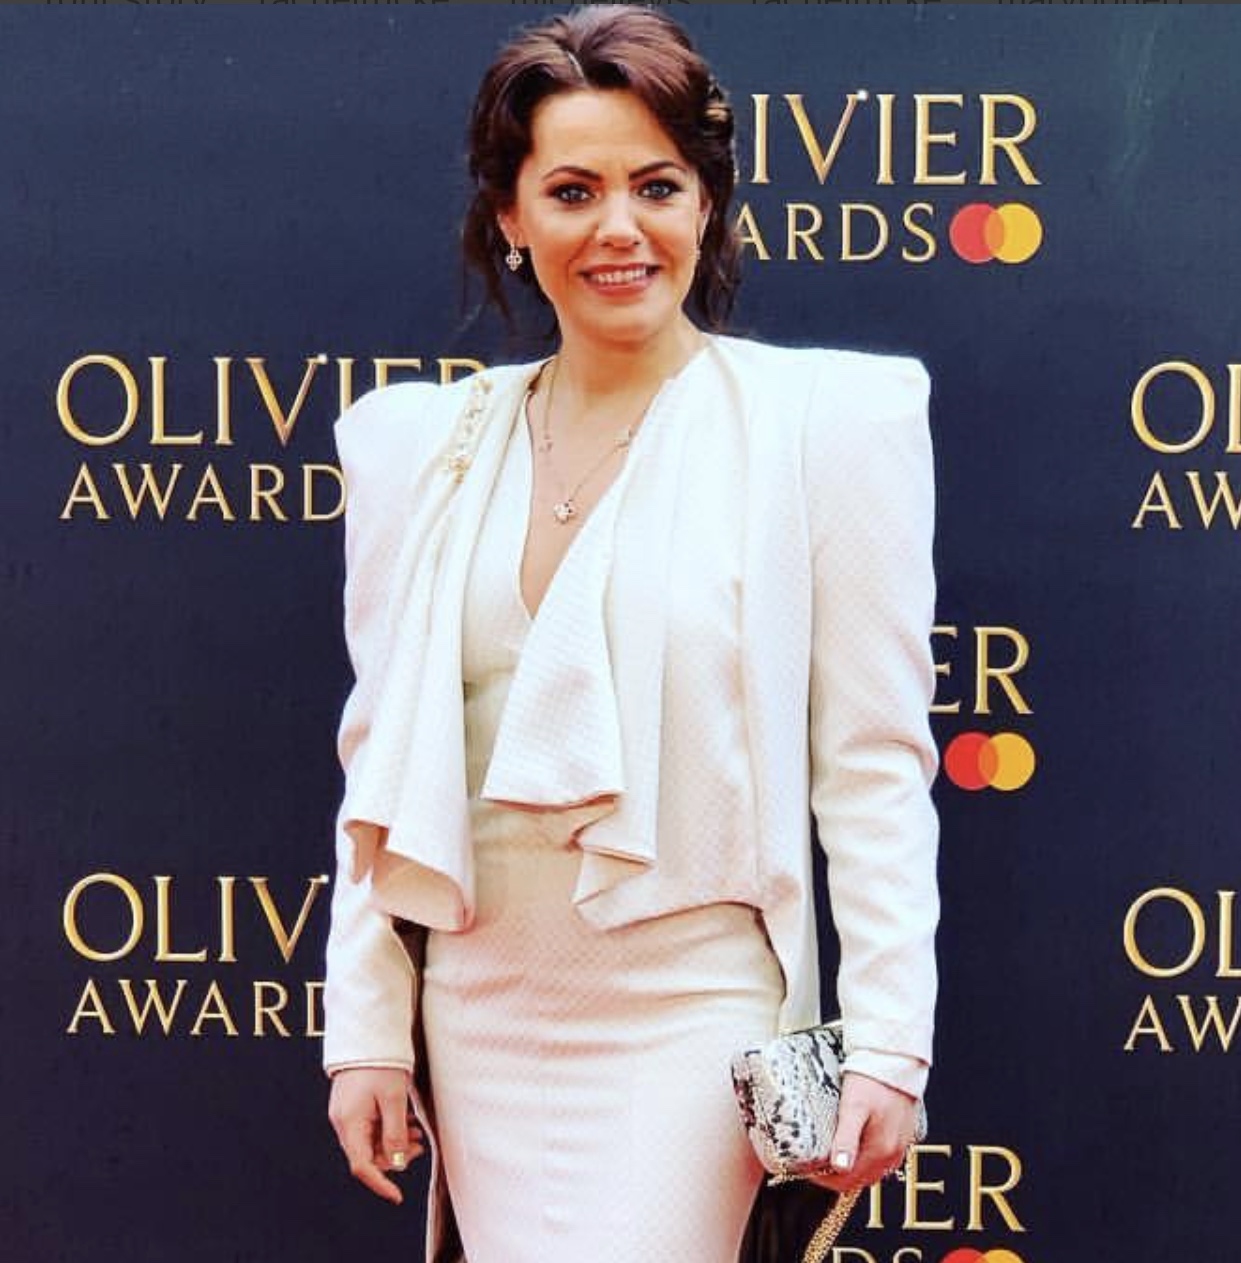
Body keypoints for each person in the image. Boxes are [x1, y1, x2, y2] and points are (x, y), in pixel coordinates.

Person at [322, 8, 939, 1262]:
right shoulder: (418, 451)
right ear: (509, 217)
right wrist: (369, 1030)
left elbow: (873, 766)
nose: (618, 227)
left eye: (656, 185)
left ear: (705, 204)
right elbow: (377, 764)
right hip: (480, 1005)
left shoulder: (818, 427)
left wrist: (888, 1039)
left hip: (691, 1014)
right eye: (571, 189)